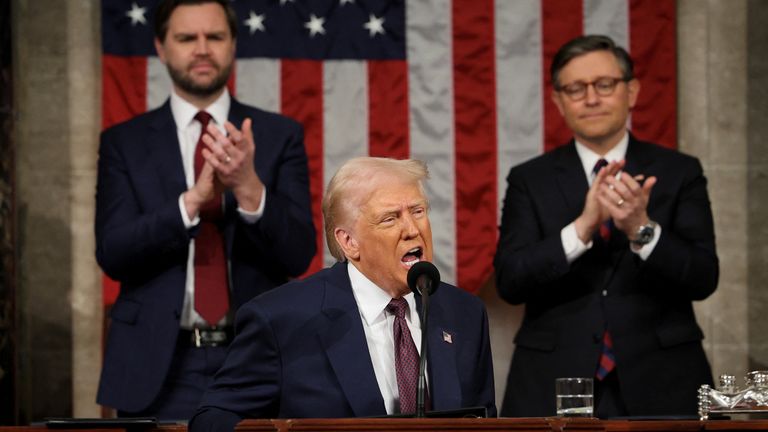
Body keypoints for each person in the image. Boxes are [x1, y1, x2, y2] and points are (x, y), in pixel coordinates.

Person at [95, 0, 316, 420]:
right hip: (158, 366)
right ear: (161, 47)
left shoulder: (277, 135)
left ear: (233, 44)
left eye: (214, 37)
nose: (202, 49)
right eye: (186, 38)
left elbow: (299, 253)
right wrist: (192, 201)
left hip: (257, 359)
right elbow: (113, 252)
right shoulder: (123, 142)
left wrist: (249, 187)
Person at [494, 35, 718, 418]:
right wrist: (581, 228)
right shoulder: (530, 179)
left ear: (631, 91)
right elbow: (510, 282)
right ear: (558, 100)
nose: (591, 98)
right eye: (576, 89)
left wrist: (641, 229)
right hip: (553, 382)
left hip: (664, 382)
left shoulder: (679, 171)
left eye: (604, 85)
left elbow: (703, 278)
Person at [189, 157, 496, 431]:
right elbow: (211, 419)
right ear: (349, 242)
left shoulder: (464, 313)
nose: (412, 229)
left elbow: (483, 422)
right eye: (390, 218)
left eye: (417, 211)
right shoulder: (281, 319)